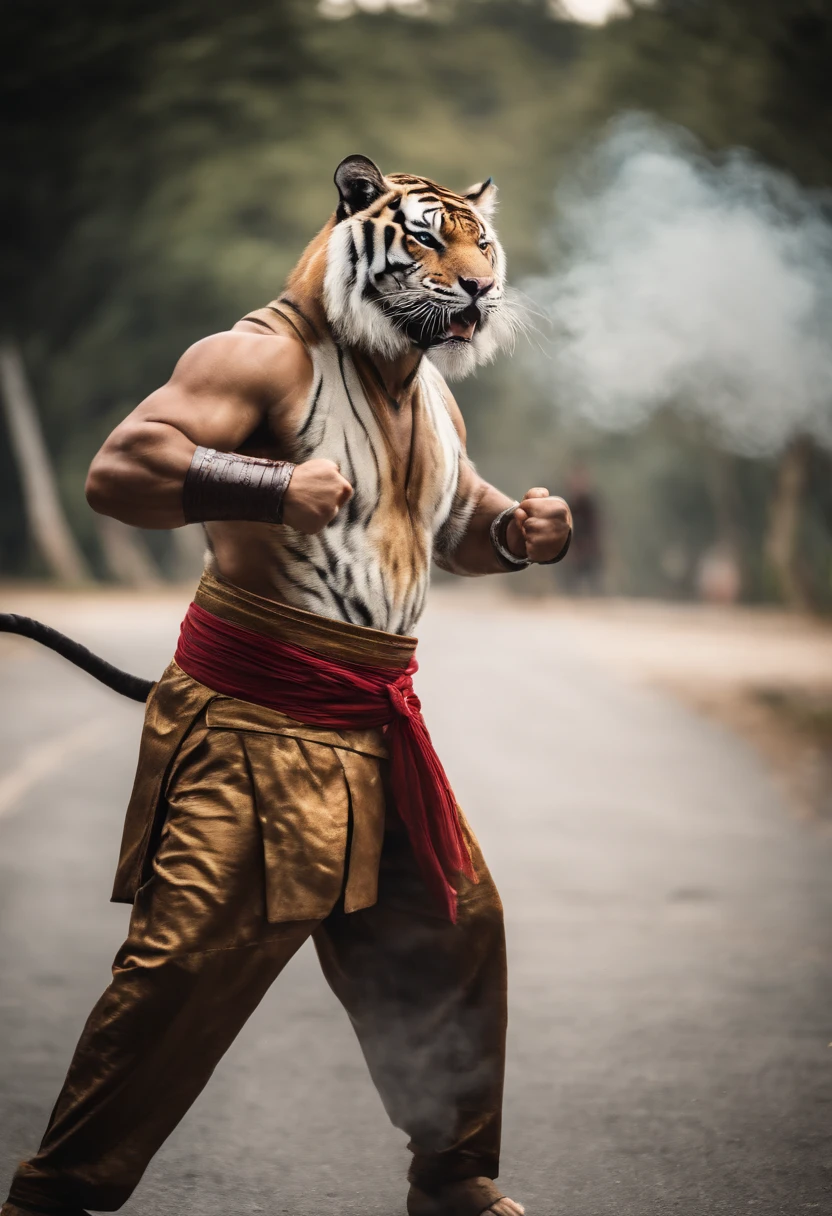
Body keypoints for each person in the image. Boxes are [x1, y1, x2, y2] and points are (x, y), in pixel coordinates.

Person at [2, 156, 571, 1216]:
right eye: (428, 245)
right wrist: (264, 485)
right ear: (352, 233)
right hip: (253, 724)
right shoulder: (261, 356)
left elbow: (452, 525)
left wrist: (515, 532)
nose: (466, 271)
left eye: (476, 248)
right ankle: (54, 1197)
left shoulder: (425, 388)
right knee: (183, 970)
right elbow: (118, 471)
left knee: (454, 928)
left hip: (375, 724)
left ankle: (451, 1179)